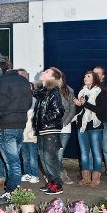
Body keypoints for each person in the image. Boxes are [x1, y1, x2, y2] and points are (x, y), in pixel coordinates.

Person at [0, 64, 33, 201]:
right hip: (20, 125)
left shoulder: (2, 82)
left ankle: (12, 192)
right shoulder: (23, 81)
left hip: (5, 125)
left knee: (12, 163)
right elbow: (29, 104)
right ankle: (13, 190)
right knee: (14, 160)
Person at [33, 67, 65, 195]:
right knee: (43, 156)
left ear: (53, 78)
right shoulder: (45, 92)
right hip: (43, 130)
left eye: (46, 72)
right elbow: (35, 93)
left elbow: (58, 111)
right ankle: (51, 181)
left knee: (49, 157)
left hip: (49, 130)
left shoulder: (54, 92)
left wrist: (44, 120)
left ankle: (57, 184)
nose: (42, 72)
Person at [73, 71, 107, 187]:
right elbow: (79, 112)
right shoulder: (82, 92)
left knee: (96, 152)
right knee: (84, 153)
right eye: (84, 76)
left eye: (88, 76)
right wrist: (78, 105)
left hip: (95, 126)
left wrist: (85, 104)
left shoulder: (100, 92)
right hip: (82, 126)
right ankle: (85, 178)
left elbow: (101, 111)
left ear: (94, 79)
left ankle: (96, 178)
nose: (85, 78)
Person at [93, 66, 107, 181]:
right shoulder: (87, 88)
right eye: (94, 73)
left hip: (105, 121)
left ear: (103, 76)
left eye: (98, 73)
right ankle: (91, 171)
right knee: (92, 148)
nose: (95, 75)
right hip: (91, 122)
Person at [58, 71, 76, 184]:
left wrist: (65, 122)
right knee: (53, 153)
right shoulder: (49, 90)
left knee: (59, 152)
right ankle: (56, 174)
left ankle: (61, 174)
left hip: (65, 127)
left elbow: (72, 109)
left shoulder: (69, 90)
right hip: (52, 127)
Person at [21, 82, 39, 183]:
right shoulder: (20, 100)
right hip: (23, 133)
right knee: (25, 157)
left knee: (33, 157)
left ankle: (35, 174)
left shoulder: (35, 101)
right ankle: (26, 173)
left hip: (32, 133)